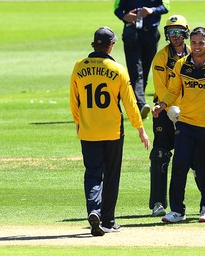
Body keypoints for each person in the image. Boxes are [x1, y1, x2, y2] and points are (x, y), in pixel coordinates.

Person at [69, 26, 150, 236]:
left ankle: (93, 210)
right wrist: (140, 129)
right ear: (111, 45)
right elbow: (131, 103)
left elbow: (73, 101)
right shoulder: (118, 69)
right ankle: (108, 220)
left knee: (93, 175)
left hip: (88, 131)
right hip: (112, 131)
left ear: (94, 44)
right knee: (112, 175)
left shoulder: (79, 67)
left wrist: (79, 123)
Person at [152, 27, 205, 223]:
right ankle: (178, 211)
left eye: (201, 43)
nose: (197, 47)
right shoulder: (181, 64)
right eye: (195, 42)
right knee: (179, 166)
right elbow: (173, 91)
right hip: (186, 124)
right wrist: (162, 105)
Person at [114, 0, 170, 119]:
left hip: (151, 34)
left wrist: (151, 10)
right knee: (135, 70)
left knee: (145, 69)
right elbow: (117, 8)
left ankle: (137, 104)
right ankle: (141, 103)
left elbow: (166, 6)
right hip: (132, 33)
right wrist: (125, 16)